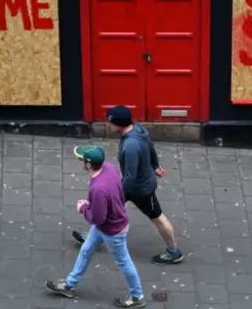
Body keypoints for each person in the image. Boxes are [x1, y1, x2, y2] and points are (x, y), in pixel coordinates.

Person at [72, 105, 183, 265]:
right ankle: (92, 238)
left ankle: (174, 252)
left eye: (110, 122)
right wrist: (155, 165)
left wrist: (115, 193)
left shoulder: (130, 146)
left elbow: (131, 177)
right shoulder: (138, 128)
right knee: (103, 208)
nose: (109, 125)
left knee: (157, 218)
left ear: (118, 124)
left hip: (141, 189)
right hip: (133, 184)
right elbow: (150, 146)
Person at [46, 145, 146, 308]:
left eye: (82, 160)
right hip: (112, 223)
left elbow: (98, 219)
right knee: (86, 250)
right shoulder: (109, 168)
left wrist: (83, 208)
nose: (81, 162)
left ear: (88, 164)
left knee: (124, 262)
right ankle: (69, 285)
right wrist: (94, 205)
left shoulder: (98, 189)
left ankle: (137, 296)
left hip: (112, 231)